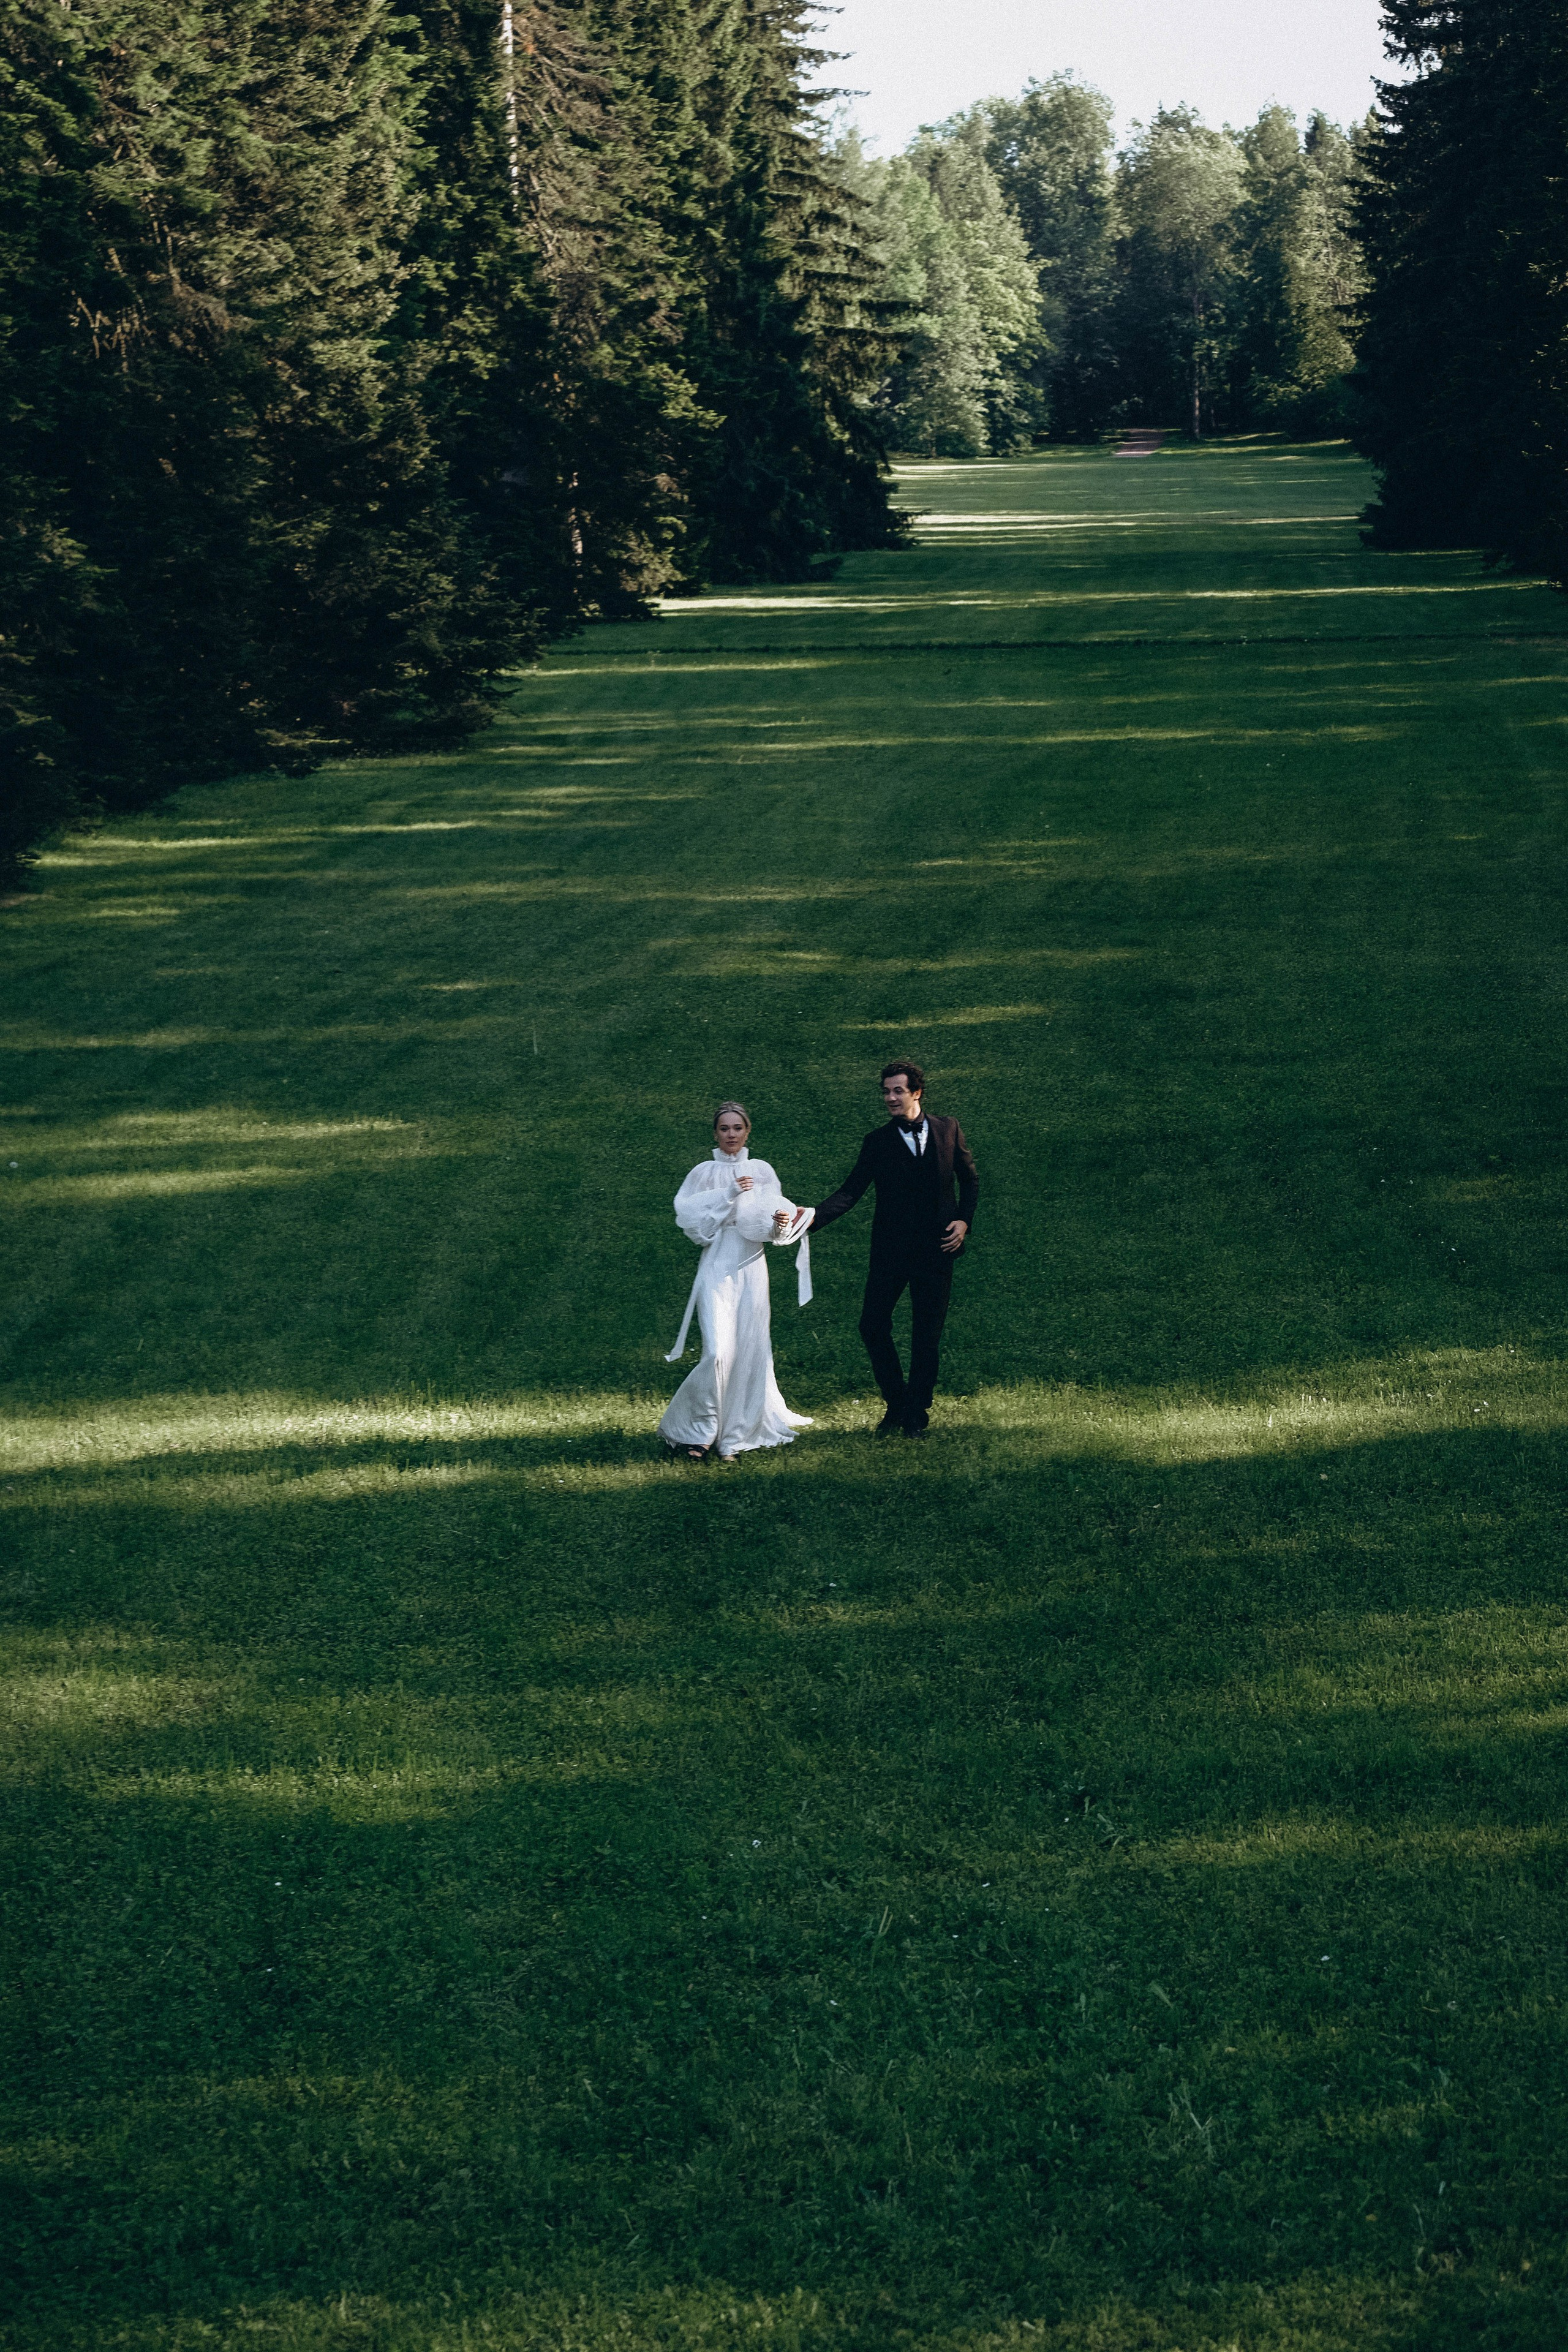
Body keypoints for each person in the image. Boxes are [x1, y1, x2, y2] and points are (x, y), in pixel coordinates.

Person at [802, 1061, 978, 1438]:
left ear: (917, 1093)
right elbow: (851, 1191)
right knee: (872, 1325)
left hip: (937, 1251)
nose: (890, 1098)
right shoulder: (877, 1142)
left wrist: (964, 1221)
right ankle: (896, 1401)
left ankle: (916, 1413)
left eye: (897, 1091)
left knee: (926, 1335)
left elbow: (970, 1179)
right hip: (891, 1254)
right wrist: (811, 1217)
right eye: (886, 1092)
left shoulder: (949, 1129)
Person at [659, 1101, 814, 1463]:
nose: (731, 1135)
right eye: (724, 1129)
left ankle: (733, 1435)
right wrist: (728, 1195)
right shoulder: (702, 1172)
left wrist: (780, 1222)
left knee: (748, 1349)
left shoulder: (762, 1170)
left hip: (752, 1266)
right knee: (716, 1350)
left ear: (748, 1132)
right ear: (715, 1133)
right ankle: (695, 1430)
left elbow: (773, 1232)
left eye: (738, 1128)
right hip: (716, 1264)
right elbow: (693, 1223)